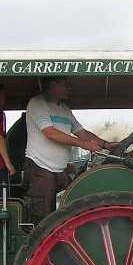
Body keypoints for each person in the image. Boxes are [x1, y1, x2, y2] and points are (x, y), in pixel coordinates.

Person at [24, 77, 111, 224]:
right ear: (52, 85)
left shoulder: (65, 109)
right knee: (43, 217)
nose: (69, 89)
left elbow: (82, 133)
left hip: (61, 169)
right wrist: (84, 145)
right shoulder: (37, 103)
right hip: (41, 168)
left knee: (64, 213)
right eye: (65, 85)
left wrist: (106, 144)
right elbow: (51, 133)